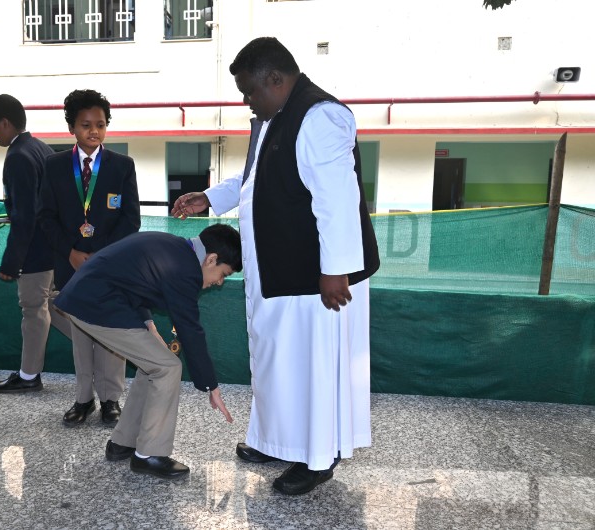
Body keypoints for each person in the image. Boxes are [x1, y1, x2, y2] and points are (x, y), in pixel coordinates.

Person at [171, 37, 380, 496]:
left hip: (316, 276)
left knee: (313, 366)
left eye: (249, 91)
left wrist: (335, 270)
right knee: (274, 361)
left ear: (275, 79)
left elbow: (337, 200)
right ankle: (276, 439)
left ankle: (318, 457)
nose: (246, 100)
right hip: (276, 266)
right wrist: (211, 197)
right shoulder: (274, 117)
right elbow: (255, 181)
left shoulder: (320, 116)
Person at [54, 224, 241, 479]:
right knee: (167, 367)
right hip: (97, 305)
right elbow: (190, 329)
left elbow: (134, 280)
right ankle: (150, 455)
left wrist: (149, 326)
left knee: (154, 364)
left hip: (93, 298)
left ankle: (123, 442)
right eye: (223, 274)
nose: (218, 282)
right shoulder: (185, 269)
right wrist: (211, 385)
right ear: (211, 258)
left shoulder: (172, 246)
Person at [38, 89, 141, 427]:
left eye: (100, 124)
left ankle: (111, 399)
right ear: (72, 127)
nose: (93, 131)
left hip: (109, 265)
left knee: (111, 331)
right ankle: (83, 398)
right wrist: (71, 251)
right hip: (70, 264)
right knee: (81, 333)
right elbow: (46, 217)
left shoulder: (122, 166)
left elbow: (131, 219)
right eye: (85, 125)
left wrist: (100, 255)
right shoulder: (53, 166)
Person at [0, 94, 71, 394]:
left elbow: (24, 215)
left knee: (33, 310)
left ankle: (29, 376)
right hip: (55, 246)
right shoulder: (40, 148)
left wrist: (11, 262)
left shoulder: (19, 156)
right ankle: (102, 350)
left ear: (5, 123)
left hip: (36, 250)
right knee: (54, 306)